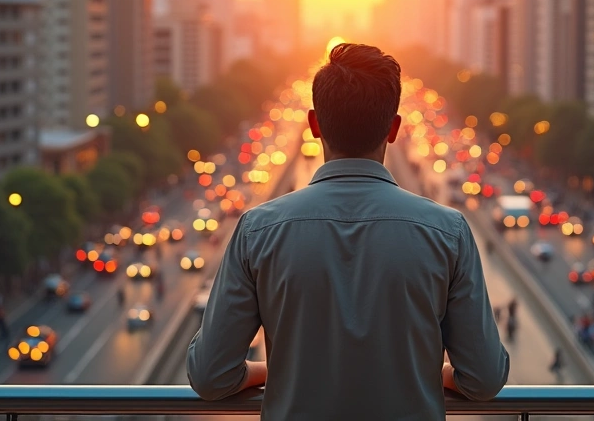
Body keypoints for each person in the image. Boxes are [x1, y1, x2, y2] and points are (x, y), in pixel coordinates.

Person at [187, 44, 509, 419]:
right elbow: (484, 380)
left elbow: (210, 376)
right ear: (393, 129)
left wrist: (279, 373)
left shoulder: (257, 231)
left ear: (314, 125)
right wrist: (416, 373)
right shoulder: (447, 232)